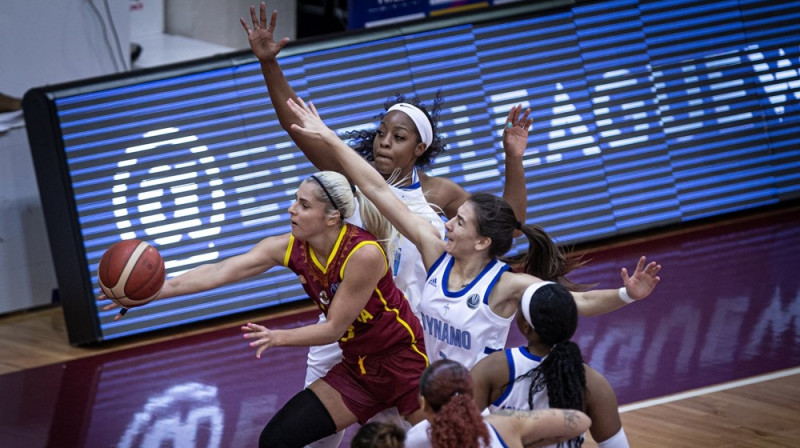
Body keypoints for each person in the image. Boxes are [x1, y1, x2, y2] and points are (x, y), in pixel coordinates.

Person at [241, 5, 532, 446]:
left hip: (407, 343)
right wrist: (269, 62)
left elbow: (506, 227)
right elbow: (296, 125)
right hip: (342, 333)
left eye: (398, 137)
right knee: (305, 440)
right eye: (381, 133)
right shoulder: (351, 179)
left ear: (420, 148)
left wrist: (513, 159)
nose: (383, 142)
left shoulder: (441, 195)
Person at [285, 96, 663, 370]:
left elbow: (577, 303)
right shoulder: (435, 254)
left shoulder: (504, 284)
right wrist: (330, 137)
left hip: (472, 397)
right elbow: (379, 190)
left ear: (482, 241)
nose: (447, 223)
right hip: (411, 363)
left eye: (458, 221)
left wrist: (626, 294)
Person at [99, 170, 428, 448]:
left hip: (403, 363)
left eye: (303, 204)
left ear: (332, 217)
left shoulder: (363, 254)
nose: (291, 209)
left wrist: (277, 338)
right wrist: (152, 292)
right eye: (294, 200)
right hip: (359, 369)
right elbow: (220, 271)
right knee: (275, 440)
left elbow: (333, 329)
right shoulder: (289, 247)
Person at [471, 281, 630, 448]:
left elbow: (455, 426)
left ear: (526, 326)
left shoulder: (493, 368)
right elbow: (616, 445)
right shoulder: (593, 382)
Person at [416, 359, 591, 448]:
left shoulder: (412, 440)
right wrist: (524, 437)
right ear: (470, 395)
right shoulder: (503, 424)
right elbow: (580, 421)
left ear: (423, 403)